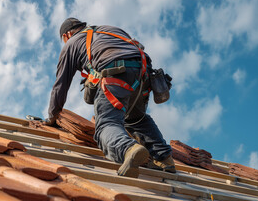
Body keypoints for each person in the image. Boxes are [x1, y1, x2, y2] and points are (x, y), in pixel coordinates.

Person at [45, 17, 175, 178]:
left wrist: (52, 117)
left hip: (116, 73)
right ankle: (165, 158)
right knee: (135, 119)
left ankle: (128, 148)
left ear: (67, 35)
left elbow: (60, 86)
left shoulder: (71, 44)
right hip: (144, 74)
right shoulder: (109, 29)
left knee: (106, 123)